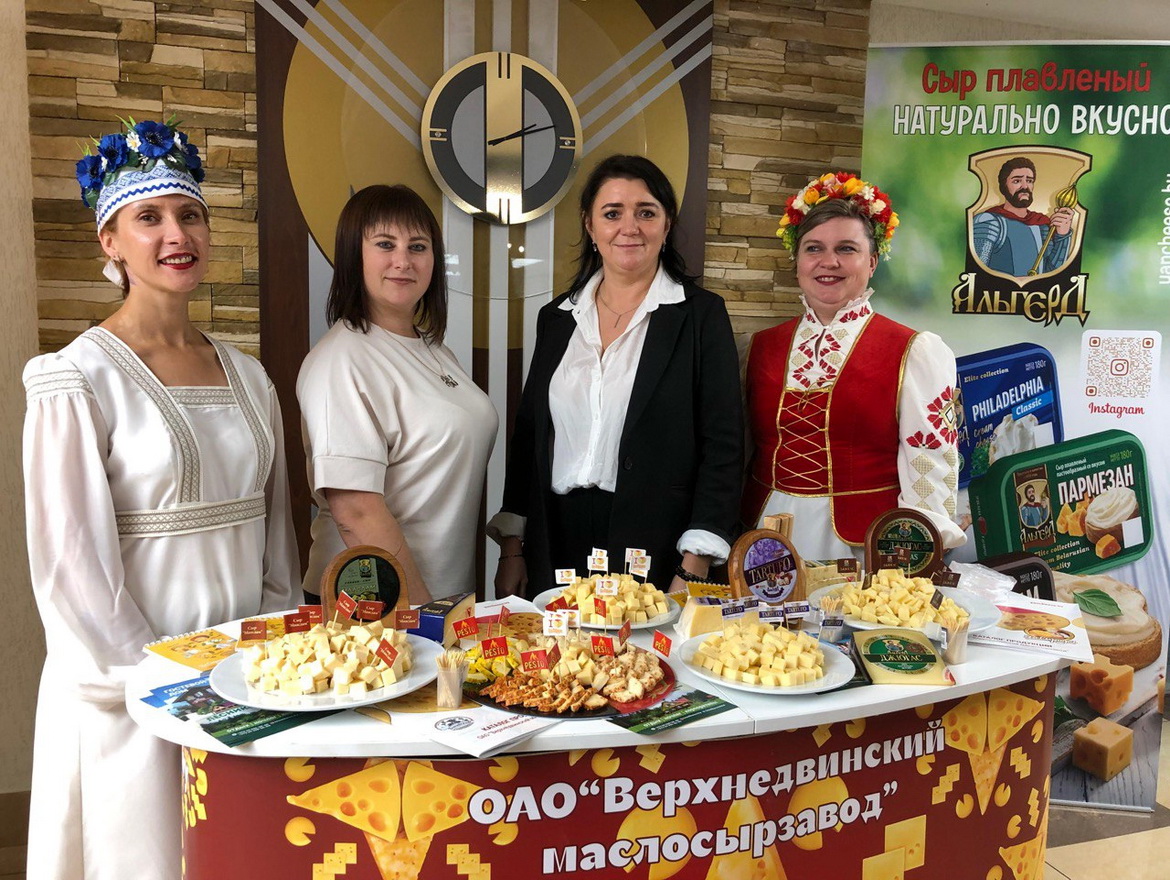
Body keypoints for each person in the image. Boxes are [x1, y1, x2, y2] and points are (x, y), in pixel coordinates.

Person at [23, 118, 298, 879]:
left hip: (244, 680)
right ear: (110, 241)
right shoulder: (75, 379)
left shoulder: (250, 377)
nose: (177, 234)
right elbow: (72, 568)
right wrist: (164, 684)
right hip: (134, 691)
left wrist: (263, 659)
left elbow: (276, 540)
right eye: (149, 217)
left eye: (190, 214)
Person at [490, 155, 743, 596]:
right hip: (556, 536)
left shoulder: (700, 316)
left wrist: (694, 564)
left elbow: (722, 445)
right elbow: (530, 436)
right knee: (562, 642)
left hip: (657, 541)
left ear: (667, 224)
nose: (630, 227)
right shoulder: (557, 318)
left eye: (646, 212)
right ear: (590, 226)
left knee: (644, 643)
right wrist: (512, 548)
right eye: (612, 213)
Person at [743, 171, 965, 559]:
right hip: (763, 540)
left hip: (863, 545)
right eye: (813, 248)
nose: (828, 262)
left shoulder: (914, 351)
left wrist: (913, 557)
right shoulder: (759, 347)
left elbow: (929, 467)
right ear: (797, 261)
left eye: (846, 249)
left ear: (873, 262)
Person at [297, 184, 496, 604]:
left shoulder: (434, 349)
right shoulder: (342, 359)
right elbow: (355, 511)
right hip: (375, 606)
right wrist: (421, 611)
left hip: (444, 596)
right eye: (385, 244)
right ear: (354, 255)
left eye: (417, 246)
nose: (403, 261)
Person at [972, 157, 1074, 277]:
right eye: (1017, 181)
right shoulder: (988, 221)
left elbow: (1052, 272)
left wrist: (1062, 235)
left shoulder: (1042, 225)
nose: (1025, 186)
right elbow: (977, 273)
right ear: (1004, 185)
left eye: (1029, 181)